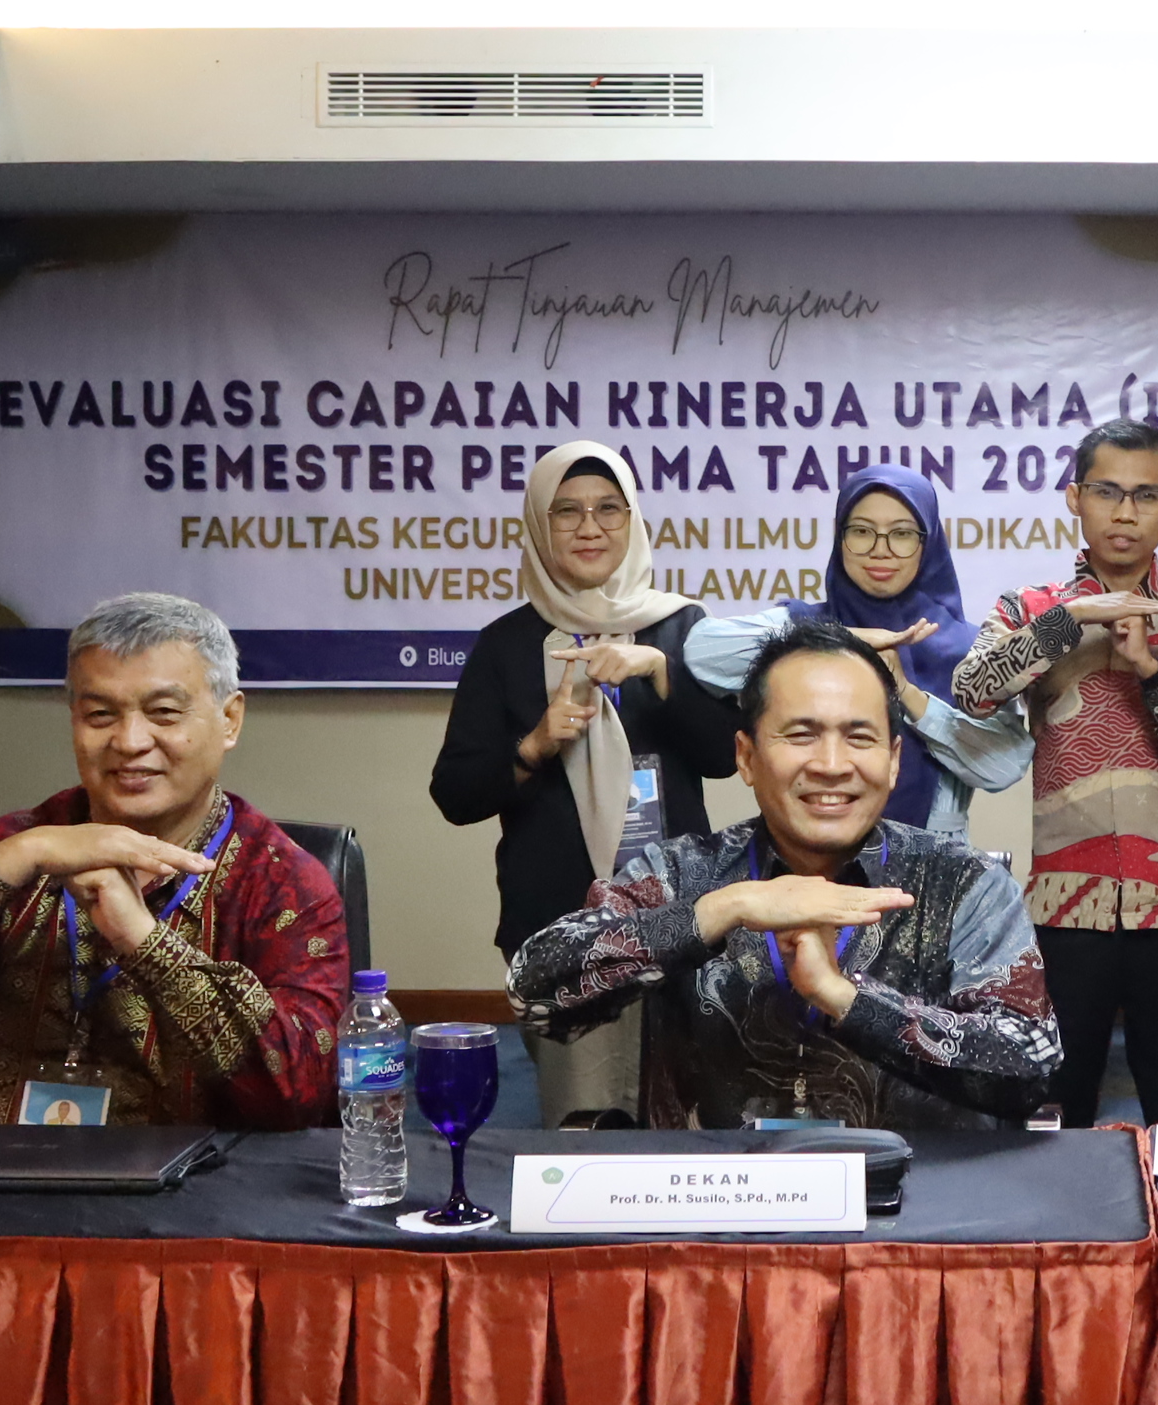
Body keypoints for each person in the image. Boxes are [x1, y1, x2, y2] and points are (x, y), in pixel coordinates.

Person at [0, 591, 347, 1125]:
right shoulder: (21, 844)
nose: (130, 741)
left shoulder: (283, 881)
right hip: (1, 1166)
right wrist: (21, 856)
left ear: (229, 720)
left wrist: (144, 941)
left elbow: (301, 1094)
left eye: (163, 713)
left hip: (197, 1174)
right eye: (100, 714)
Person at [511, 619, 1062, 1127]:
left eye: (859, 737)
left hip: (909, 1195)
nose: (831, 765)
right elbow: (533, 994)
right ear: (746, 757)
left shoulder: (963, 883)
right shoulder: (679, 872)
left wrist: (845, 998)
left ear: (894, 759)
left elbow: (1030, 1065)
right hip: (719, 1194)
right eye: (800, 735)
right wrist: (721, 909)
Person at [427, 441, 745, 1122]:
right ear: (540, 527)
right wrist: (535, 745)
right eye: (567, 512)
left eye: (608, 509)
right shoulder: (507, 644)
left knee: (688, 1123)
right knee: (586, 1129)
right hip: (562, 925)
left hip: (679, 915)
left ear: (633, 521)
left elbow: (726, 755)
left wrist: (663, 672)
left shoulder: (681, 626)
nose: (590, 527)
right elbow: (455, 793)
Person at [948, 417, 1158, 1124]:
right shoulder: (1030, 610)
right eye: (1107, 491)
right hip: (1062, 907)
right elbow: (972, 688)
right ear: (1075, 498)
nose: (1125, 512)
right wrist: (1071, 619)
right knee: (1055, 1112)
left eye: (1146, 495)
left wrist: (1149, 668)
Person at [681, 463, 1032, 840]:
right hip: (808, 850)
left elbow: (1003, 768)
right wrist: (839, 639)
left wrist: (910, 695)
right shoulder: (804, 624)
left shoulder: (972, 648)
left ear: (928, 542)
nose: (880, 550)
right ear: (840, 536)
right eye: (862, 531)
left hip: (935, 858)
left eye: (902, 534)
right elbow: (700, 651)